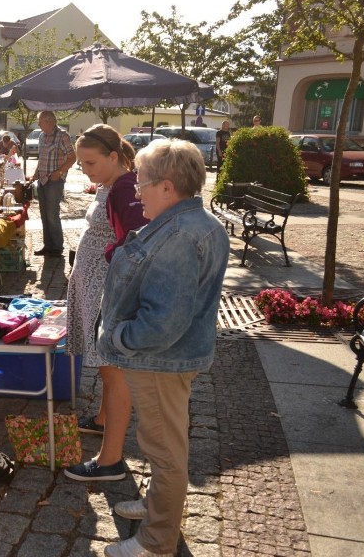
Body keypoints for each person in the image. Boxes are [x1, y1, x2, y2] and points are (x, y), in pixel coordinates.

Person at [97, 139, 229, 557]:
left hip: (159, 360)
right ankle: (158, 507)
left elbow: (163, 321)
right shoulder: (194, 224)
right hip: (167, 358)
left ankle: (156, 541)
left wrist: (119, 339)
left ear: (168, 187)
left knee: (165, 451)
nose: (136, 192)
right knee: (162, 442)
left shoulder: (179, 234)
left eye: (143, 183)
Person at [62, 125, 149, 482]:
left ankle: (110, 460)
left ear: (115, 157)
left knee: (114, 373)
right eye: (82, 163)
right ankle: (101, 420)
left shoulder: (126, 187)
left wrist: (106, 257)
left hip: (108, 289)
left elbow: (135, 240)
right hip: (96, 284)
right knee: (104, 367)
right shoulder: (112, 184)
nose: (85, 169)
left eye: (91, 162)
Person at [32, 111, 76, 257]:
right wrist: (36, 172)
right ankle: (48, 245)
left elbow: (72, 157)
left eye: (40, 122)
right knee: (44, 215)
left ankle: (57, 247)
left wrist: (60, 172)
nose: (38, 124)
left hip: (54, 181)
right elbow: (42, 157)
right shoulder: (41, 136)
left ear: (50, 121)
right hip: (42, 180)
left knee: (52, 214)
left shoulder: (62, 136)